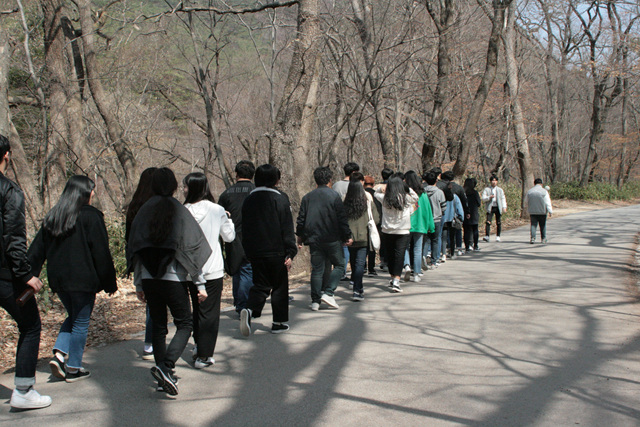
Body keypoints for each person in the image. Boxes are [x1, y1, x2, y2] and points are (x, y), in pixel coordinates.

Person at [127, 168, 211, 396]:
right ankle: (166, 367)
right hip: (174, 278)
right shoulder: (179, 210)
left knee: (158, 325)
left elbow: (136, 248)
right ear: (174, 186)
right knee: (185, 324)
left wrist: (138, 283)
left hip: (149, 278)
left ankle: (163, 375)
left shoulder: (144, 211)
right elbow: (192, 248)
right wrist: (200, 283)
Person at [29, 175, 117, 383]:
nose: (94, 193)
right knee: (80, 322)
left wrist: (29, 274)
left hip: (59, 280)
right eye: (92, 189)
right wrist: (109, 282)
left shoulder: (54, 216)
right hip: (84, 280)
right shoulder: (91, 216)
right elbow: (101, 252)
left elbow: (36, 250)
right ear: (84, 192)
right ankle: (74, 367)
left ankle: (60, 354)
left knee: (74, 316)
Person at [0, 135, 51, 410]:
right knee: (30, 326)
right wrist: (25, 274)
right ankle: (23, 390)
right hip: (5, 276)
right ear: (7, 155)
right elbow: (13, 238)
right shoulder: (9, 191)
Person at [183, 173, 235, 368]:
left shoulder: (182, 211)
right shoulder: (217, 210)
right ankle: (205, 355)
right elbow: (229, 237)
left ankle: (198, 345)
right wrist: (228, 220)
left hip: (189, 269)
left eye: (185, 187)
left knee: (196, 308)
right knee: (210, 312)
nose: (183, 190)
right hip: (212, 269)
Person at [240, 164, 297, 336]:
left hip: (255, 251)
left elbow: (245, 229)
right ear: (276, 179)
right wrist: (290, 251)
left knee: (261, 284)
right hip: (276, 250)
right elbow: (286, 226)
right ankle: (278, 323)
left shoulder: (248, 200)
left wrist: (248, 251)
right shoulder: (280, 198)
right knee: (279, 286)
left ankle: (249, 309)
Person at [296, 167, 352, 310]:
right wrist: (347, 236)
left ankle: (315, 301)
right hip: (332, 237)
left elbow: (301, 220)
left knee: (317, 270)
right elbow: (342, 218)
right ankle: (328, 292)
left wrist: (300, 237)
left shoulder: (307, 197)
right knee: (339, 264)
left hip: (314, 238)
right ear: (329, 180)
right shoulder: (334, 196)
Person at [125, 167, 157, 360]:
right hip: (157, 259)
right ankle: (154, 341)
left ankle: (149, 343)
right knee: (158, 302)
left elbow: (128, 238)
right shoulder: (159, 206)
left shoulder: (134, 206)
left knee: (150, 302)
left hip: (139, 258)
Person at [218, 161, 255, 316]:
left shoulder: (226, 194)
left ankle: (238, 302)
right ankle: (243, 305)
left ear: (236, 174)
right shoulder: (256, 192)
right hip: (252, 237)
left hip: (231, 238)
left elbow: (220, 216)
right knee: (247, 270)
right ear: (252, 175)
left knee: (237, 270)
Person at [375, 176, 419, 293]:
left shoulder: (384, 198)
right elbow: (416, 197)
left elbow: (375, 193)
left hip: (387, 230)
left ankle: (393, 276)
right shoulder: (405, 198)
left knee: (390, 255)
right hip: (402, 231)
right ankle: (396, 281)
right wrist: (407, 188)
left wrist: (382, 187)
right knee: (399, 255)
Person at [343, 173, 378, 301]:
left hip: (350, 238)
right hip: (364, 237)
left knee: (353, 263)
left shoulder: (344, 201)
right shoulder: (367, 201)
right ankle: (358, 289)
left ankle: (356, 285)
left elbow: (341, 220)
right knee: (360, 264)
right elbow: (376, 218)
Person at [402, 171, 434, 282]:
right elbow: (428, 211)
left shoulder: (404, 193)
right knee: (417, 249)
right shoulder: (423, 194)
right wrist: (430, 225)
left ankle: (406, 266)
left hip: (406, 225)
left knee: (405, 247)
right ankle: (416, 273)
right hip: (420, 225)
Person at [440, 171, 467, 256]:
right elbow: (462, 202)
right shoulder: (458, 189)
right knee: (455, 233)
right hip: (453, 217)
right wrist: (462, 216)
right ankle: (455, 249)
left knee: (444, 235)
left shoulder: (440, 189)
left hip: (442, 216)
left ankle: (444, 251)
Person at [423, 171, 446, 269]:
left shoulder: (422, 191)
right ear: (436, 180)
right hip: (436, 219)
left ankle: (423, 258)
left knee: (425, 240)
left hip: (425, 220)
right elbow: (444, 207)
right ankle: (434, 261)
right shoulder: (439, 192)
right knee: (435, 240)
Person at [363, 175, 381, 276]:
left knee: (364, 246)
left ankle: (363, 266)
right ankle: (371, 268)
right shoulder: (376, 194)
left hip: (363, 222)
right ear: (373, 184)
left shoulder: (362, 194)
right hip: (374, 221)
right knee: (372, 245)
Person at [525, 178, 553, 244]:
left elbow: (526, 201)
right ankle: (543, 238)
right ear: (541, 184)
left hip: (532, 211)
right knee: (542, 225)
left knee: (533, 225)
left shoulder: (529, 191)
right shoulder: (544, 191)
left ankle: (532, 238)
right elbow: (547, 202)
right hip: (542, 211)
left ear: (534, 183)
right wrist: (550, 211)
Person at [481, 175, 507, 242]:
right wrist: (489, 197)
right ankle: (487, 236)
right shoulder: (487, 189)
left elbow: (503, 198)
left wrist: (504, 207)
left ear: (497, 181)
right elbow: (483, 198)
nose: (494, 182)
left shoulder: (500, 190)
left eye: (495, 180)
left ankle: (498, 236)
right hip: (490, 207)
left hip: (498, 207)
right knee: (488, 222)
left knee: (498, 222)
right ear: (490, 181)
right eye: (493, 180)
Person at [441, 185, 464, 259]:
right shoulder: (455, 197)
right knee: (452, 236)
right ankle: (452, 253)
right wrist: (461, 217)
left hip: (443, 218)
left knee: (443, 237)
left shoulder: (442, 197)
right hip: (452, 219)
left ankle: (443, 253)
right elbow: (459, 208)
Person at [463, 177, 482, 252]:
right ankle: (475, 245)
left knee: (466, 231)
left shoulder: (463, 193)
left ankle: (467, 246)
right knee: (475, 230)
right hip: (474, 213)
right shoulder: (475, 193)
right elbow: (479, 203)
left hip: (465, 213)